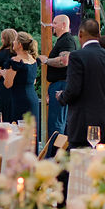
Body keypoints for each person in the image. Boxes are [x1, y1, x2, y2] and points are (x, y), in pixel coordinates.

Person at [56, 19, 105, 148]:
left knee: (79, 163)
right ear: (99, 35)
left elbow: (73, 89)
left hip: (84, 123)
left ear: (80, 34)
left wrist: (61, 97)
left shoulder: (77, 56)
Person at [38, 15, 79, 144]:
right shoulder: (63, 40)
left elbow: (65, 60)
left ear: (63, 25)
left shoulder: (67, 40)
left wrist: (46, 60)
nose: (52, 26)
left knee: (56, 123)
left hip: (61, 85)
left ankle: (55, 154)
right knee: (60, 121)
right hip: (59, 84)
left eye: (55, 23)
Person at [1, 32, 40, 129]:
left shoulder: (16, 61)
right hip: (33, 99)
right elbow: (33, 81)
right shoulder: (33, 59)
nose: (13, 42)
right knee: (31, 132)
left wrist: (5, 74)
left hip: (20, 100)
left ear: (19, 45)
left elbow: (8, 84)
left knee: (20, 131)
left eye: (15, 40)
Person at [0, 29, 18, 122]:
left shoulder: (0, 54)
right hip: (17, 87)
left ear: (5, 39)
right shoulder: (19, 54)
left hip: (3, 88)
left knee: (1, 117)